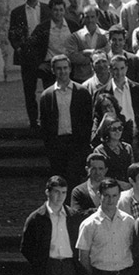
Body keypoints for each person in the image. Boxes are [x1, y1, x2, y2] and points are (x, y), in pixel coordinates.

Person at [39, 54, 94, 188]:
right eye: (58, 68)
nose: (62, 71)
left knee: (74, 180)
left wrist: (84, 145)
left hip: (76, 144)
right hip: (57, 145)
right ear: (53, 70)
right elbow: (44, 124)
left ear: (70, 69)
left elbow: (88, 120)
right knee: (58, 183)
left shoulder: (81, 92)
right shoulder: (47, 95)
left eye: (65, 68)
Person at [8, 0, 50, 128]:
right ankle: (33, 122)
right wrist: (20, 49)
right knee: (29, 91)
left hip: (45, 56)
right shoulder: (17, 12)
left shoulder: (47, 9)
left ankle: (47, 121)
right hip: (27, 57)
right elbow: (13, 34)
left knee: (48, 91)